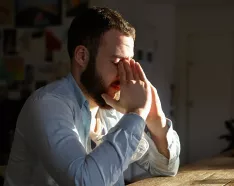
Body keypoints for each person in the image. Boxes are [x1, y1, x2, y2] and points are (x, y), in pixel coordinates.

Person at [4, 7, 180, 186]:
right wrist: (137, 113)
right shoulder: (47, 105)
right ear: (82, 56)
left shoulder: (114, 108)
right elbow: (85, 182)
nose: (125, 74)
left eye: (129, 63)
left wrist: (156, 121)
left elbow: (166, 168)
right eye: (117, 62)